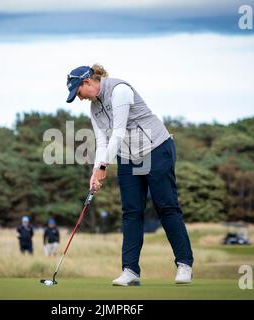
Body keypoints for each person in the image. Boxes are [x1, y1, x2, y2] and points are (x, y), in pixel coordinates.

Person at [65, 64, 194, 286]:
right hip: (127, 155)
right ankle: (130, 271)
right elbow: (102, 141)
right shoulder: (94, 109)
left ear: (87, 82)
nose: (80, 98)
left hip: (156, 149)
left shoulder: (120, 91)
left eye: (78, 92)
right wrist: (95, 173)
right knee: (131, 212)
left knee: (166, 206)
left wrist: (102, 167)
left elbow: (118, 131)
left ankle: (184, 263)